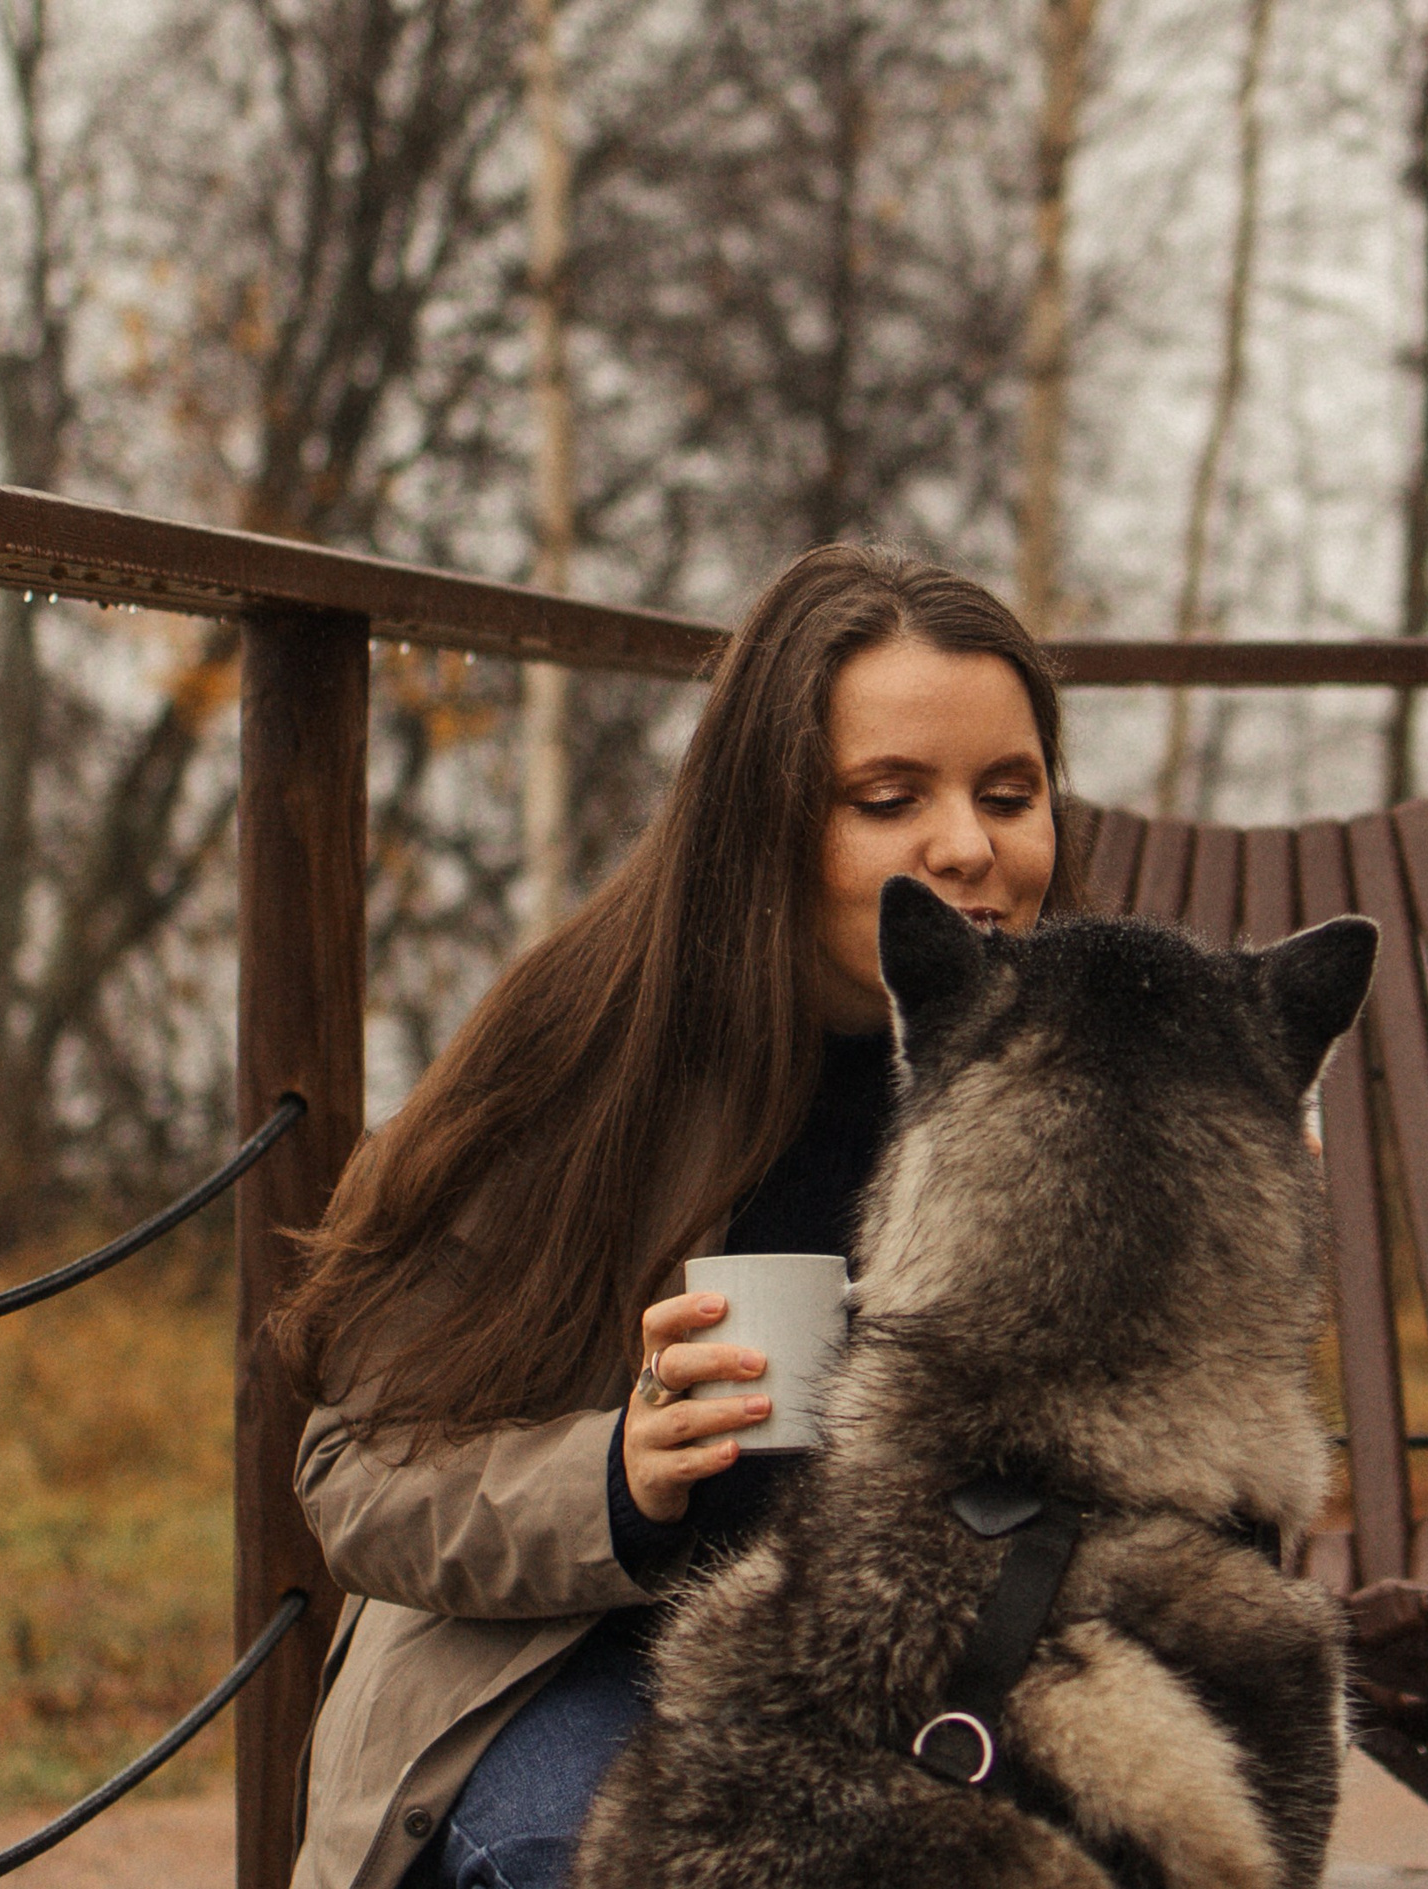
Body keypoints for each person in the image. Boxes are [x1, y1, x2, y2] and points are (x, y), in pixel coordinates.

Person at [273, 544, 1086, 1889]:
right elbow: (356, 1471)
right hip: (582, 1662)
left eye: (1012, 793)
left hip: (929, 1689)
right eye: (889, 798)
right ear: (765, 818)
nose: (970, 846)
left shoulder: (1083, 1085)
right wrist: (620, 1477)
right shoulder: (587, 1062)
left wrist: (1224, 1239)